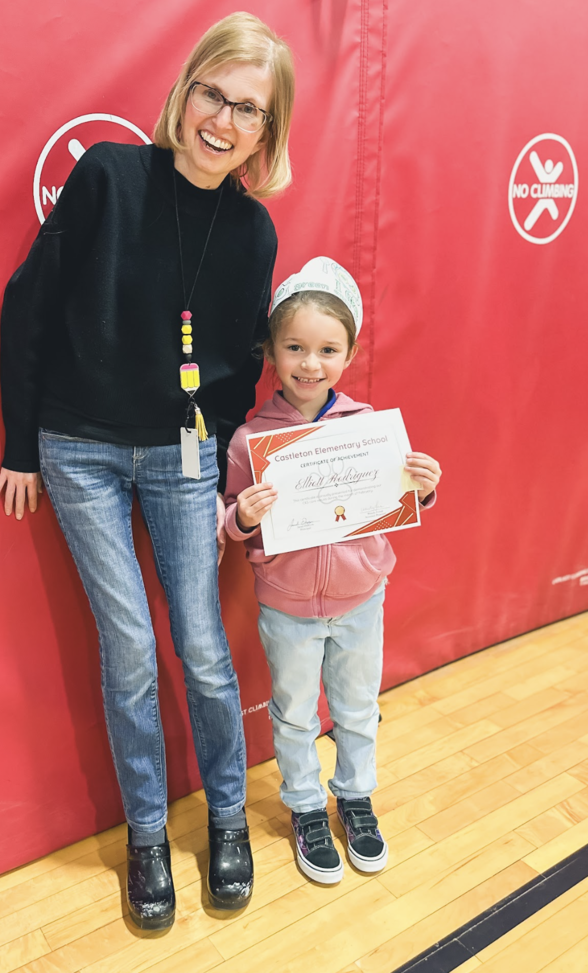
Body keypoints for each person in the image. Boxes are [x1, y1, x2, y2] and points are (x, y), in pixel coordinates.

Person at [0, 13, 295, 928]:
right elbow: (29, 305)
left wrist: (217, 452)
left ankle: (231, 820)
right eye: (212, 92)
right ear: (184, 92)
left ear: (265, 132)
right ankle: (149, 835)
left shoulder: (253, 232)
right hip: (77, 452)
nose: (222, 119)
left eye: (247, 108)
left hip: (183, 458)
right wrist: (20, 444)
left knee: (202, 650)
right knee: (127, 650)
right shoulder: (108, 177)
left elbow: (244, 364)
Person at [223, 257, 441, 884]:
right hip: (286, 606)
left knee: (357, 707)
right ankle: (303, 807)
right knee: (293, 713)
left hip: (360, 600)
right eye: (294, 347)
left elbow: (392, 502)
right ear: (272, 351)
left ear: (348, 354)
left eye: (326, 349)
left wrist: (422, 489)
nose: (309, 364)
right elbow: (229, 524)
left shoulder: (368, 430)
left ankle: (354, 797)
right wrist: (242, 516)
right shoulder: (250, 439)